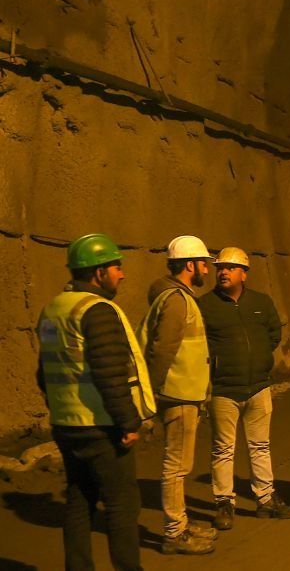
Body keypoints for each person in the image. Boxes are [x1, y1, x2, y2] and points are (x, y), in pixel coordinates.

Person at [36, 234, 156, 570]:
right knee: (122, 506)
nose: (122, 274)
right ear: (98, 273)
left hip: (66, 425)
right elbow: (109, 373)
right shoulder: (97, 311)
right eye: (116, 267)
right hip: (101, 425)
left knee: (78, 500)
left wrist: (60, 408)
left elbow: (44, 372)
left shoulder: (52, 310)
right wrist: (128, 421)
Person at [197, 247, 290, 530]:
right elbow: (200, 344)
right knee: (223, 449)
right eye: (220, 268)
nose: (223, 272)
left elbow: (273, 333)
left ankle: (265, 500)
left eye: (230, 268)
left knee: (260, 446)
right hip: (224, 389)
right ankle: (224, 504)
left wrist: (260, 358)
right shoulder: (205, 305)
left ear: (244, 273)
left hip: (258, 387)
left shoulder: (261, 302)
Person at [140, 235, 219, 554]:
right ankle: (175, 532)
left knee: (179, 464)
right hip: (178, 394)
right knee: (176, 465)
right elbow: (163, 350)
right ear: (190, 265)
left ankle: (181, 523)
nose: (207, 270)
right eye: (204, 264)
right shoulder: (176, 300)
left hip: (184, 393)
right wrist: (154, 393)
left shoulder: (176, 297)